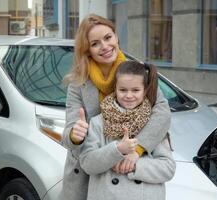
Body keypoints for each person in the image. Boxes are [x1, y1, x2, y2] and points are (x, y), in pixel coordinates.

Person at [62, 14, 171, 200]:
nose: (105, 46)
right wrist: (75, 134)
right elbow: (69, 134)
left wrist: (137, 151)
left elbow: (162, 113)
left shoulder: (135, 72)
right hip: (92, 173)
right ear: (87, 49)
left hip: (133, 171)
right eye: (95, 43)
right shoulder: (78, 83)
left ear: (116, 37)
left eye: (108, 37)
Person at [79, 61, 175, 200]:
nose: (129, 95)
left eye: (135, 90)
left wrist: (134, 165)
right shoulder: (98, 122)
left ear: (145, 91)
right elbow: (87, 163)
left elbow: (168, 168)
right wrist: (116, 150)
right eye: (123, 90)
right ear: (115, 89)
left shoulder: (154, 123)